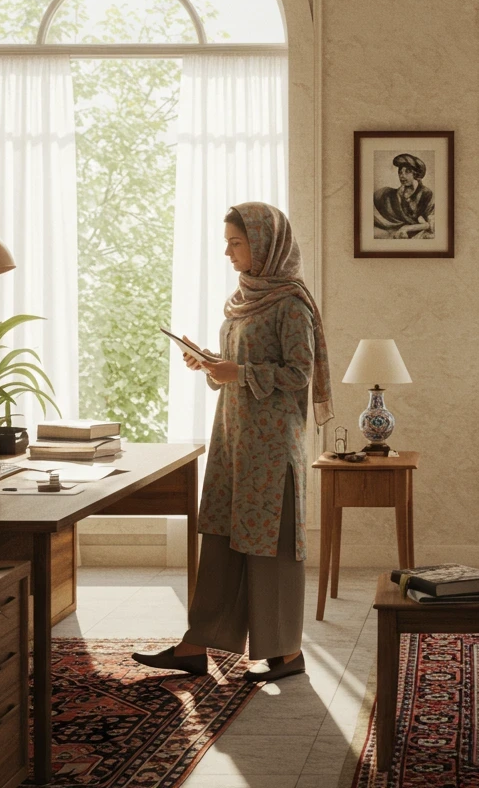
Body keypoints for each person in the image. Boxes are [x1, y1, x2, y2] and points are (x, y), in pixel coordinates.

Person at [133, 202, 333, 682]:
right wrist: (209, 362)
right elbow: (237, 366)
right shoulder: (244, 298)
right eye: (226, 241)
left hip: (271, 448)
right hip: (234, 438)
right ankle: (196, 644)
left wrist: (237, 371)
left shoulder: (290, 303)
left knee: (271, 547)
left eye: (236, 242)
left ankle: (286, 653)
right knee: (221, 539)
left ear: (264, 244)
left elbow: (299, 374)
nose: (227, 251)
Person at [373, 153, 435, 239]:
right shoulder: (394, 194)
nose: (402, 176)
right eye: (400, 172)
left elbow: (430, 223)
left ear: (415, 174)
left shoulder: (426, 193)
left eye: (407, 171)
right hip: (389, 227)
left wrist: (407, 228)